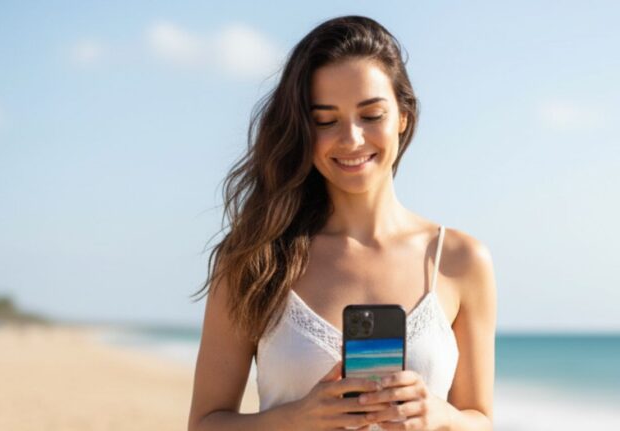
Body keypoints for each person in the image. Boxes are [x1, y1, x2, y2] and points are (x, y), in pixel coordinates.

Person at [187, 15, 496, 431]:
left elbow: (481, 419)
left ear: (403, 117)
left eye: (371, 115)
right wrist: (296, 419)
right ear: (303, 129)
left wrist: (439, 416)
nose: (351, 138)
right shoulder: (255, 259)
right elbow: (205, 423)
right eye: (325, 120)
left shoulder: (460, 260)